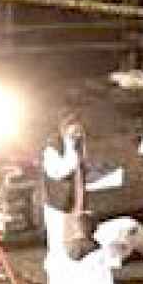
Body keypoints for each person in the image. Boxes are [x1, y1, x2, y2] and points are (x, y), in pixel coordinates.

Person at [41, 111, 96, 264]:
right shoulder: (53, 147)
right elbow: (61, 171)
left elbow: (81, 168)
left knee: (75, 240)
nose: (79, 133)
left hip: (75, 202)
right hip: (59, 204)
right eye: (75, 129)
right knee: (59, 243)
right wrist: (70, 145)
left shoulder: (79, 144)